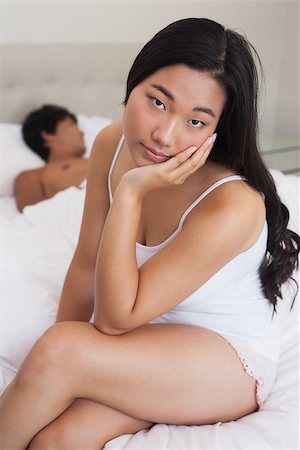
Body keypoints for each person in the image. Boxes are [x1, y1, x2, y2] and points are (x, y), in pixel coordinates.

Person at [0, 18, 299, 450]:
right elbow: (87, 263)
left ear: (218, 129)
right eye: (157, 102)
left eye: (196, 122)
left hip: (224, 361)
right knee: (56, 440)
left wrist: (130, 194)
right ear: (133, 82)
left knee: (61, 352)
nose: (165, 135)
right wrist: (51, 372)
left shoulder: (230, 204)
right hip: (148, 341)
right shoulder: (110, 143)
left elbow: (112, 320)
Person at [14, 104, 88, 211]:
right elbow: (31, 209)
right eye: (72, 125)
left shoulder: (102, 158)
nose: (82, 133)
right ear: (48, 135)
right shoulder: (32, 175)